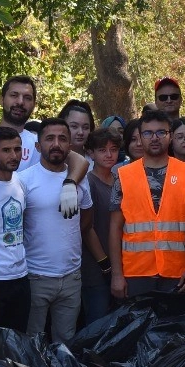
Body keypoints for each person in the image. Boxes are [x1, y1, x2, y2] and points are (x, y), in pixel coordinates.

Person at [19, 118, 94, 345]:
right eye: (49, 138)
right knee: (32, 341)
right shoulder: (24, 180)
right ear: (38, 145)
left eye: (62, 139)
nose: (56, 144)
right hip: (35, 275)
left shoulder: (78, 179)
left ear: (70, 145)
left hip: (71, 276)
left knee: (65, 341)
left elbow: (86, 216)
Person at [110, 109, 185, 298]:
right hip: (135, 272)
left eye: (161, 132)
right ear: (139, 137)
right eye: (148, 133)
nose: (154, 138)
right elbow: (115, 228)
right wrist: (116, 274)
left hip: (178, 273)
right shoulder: (122, 176)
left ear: (170, 136)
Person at [0, 127, 31, 333]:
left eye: (17, 149)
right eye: (6, 150)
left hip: (21, 276)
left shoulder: (20, 182)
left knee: (19, 341)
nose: (13, 155)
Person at [80, 127, 122, 324]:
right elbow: (88, 228)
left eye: (113, 149)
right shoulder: (89, 182)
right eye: (102, 150)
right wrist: (105, 265)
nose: (108, 154)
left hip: (121, 263)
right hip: (96, 268)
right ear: (91, 153)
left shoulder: (120, 180)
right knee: (97, 322)